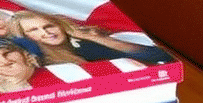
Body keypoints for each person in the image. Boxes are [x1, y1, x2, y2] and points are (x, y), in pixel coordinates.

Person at [9, 9, 171, 66]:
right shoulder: (37, 59)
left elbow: (158, 56)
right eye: (34, 30)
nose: (46, 32)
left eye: (48, 26)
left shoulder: (87, 43)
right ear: (25, 37)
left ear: (59, 24)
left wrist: (95, 38)